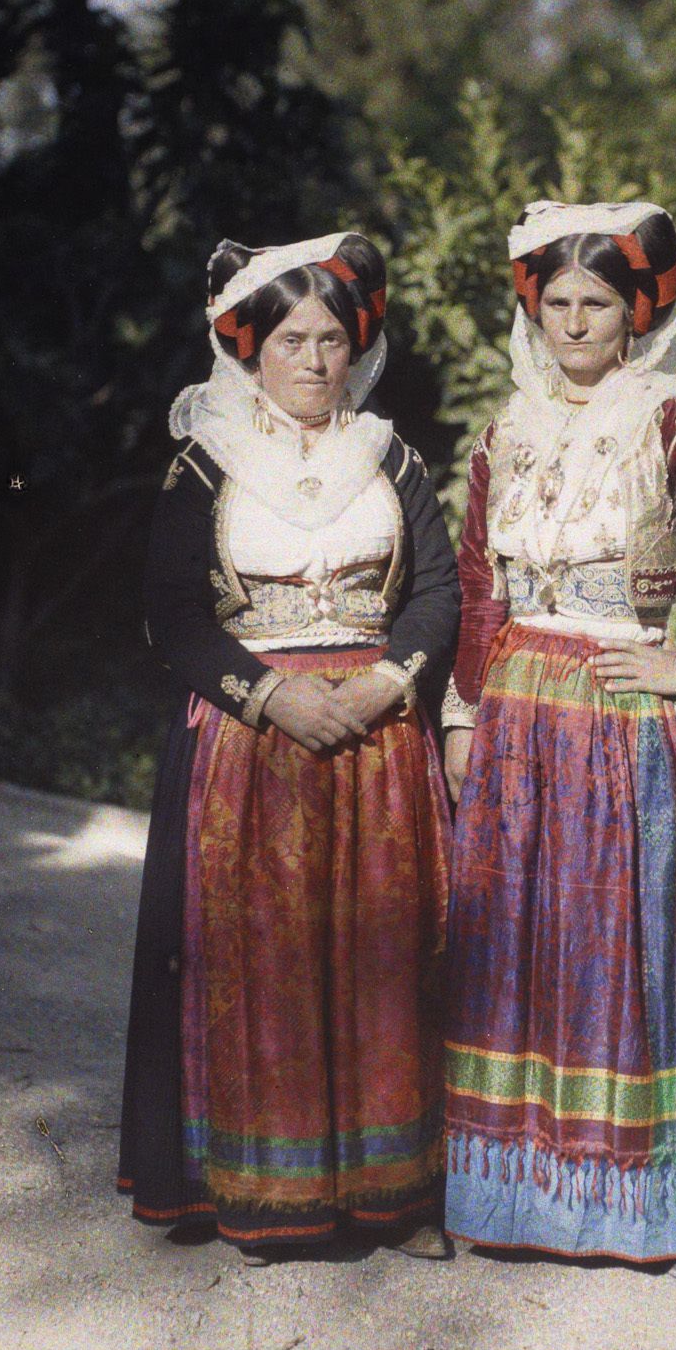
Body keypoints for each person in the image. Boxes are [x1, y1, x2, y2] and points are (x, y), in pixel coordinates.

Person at [441, 199, 676, 1273]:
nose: (575, 323)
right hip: (516, 720)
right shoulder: (504, 433)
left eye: (597, 302)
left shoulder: (672, 423)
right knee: (521, 946)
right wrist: (463, 716)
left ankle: (668, 1209)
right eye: (556, 302)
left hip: (625, 719)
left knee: (635, 946)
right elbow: (475, 585)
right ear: (533, 307)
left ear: (638, 310)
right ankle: (524, 1200)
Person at [118, 231, 459, 1262]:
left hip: (376, 731)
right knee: (257, 951)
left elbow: (439, 591)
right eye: (292, 338)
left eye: (333, 338)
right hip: (249, 739)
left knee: (380, 951)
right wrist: (270, 695)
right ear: (249, 347)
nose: (315, 359)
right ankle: (261, 1193)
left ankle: (385, 1194)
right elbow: (170, 616)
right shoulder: (205, 461)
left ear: (357, 348)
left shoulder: (390, 455)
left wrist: (380, 683)